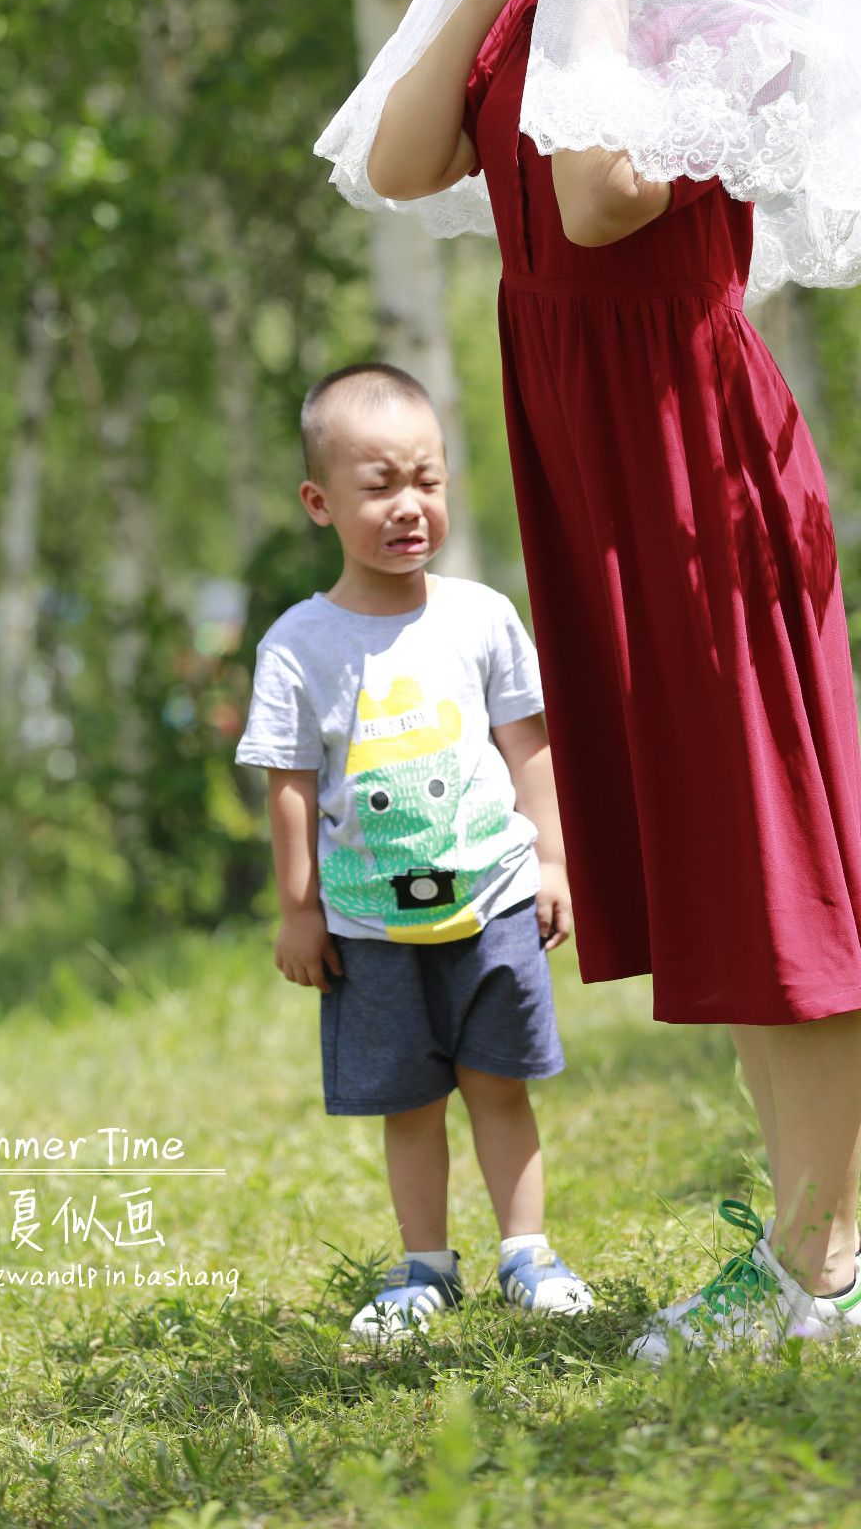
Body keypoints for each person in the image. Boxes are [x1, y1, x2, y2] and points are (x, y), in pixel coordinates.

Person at [315, 0, 861, 1356]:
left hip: (698, 463)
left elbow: (606, 199)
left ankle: (828, 1271)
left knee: (778, 855)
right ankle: (804, 1258)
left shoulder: (722, 4)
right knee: (709, 859)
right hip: (592, 463)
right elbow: (405, 166)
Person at [234, 361, 595, 1345]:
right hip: (369, 919)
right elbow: (291, 784)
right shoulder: (300, 644)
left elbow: (529, 744)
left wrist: (555, 862)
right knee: (411, 1096)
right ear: (320, 500)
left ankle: (529, 1249)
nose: (409, 506)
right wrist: (301, 907)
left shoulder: (480, 614)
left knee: (499, 1079)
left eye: (427, 479)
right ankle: (426, 1264)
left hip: (496, 900)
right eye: (380, 484)